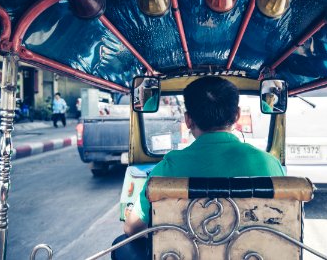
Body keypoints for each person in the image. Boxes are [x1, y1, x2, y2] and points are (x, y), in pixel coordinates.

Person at [112, 76, 285, 260]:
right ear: (236, 115)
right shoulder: (269, 164)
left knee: (120, 244)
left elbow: (131, 228)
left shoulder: (169, 167)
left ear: (188, 120)